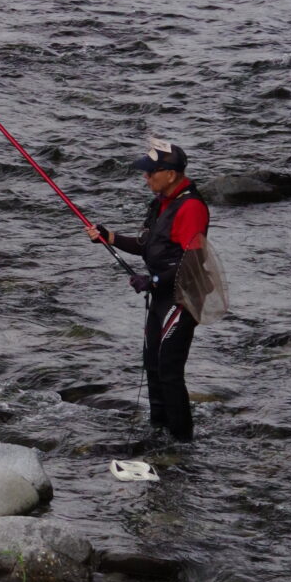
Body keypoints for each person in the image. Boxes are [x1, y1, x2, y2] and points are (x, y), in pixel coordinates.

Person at [89, 140, 218, 443]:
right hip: (162, 296)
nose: (145, 178)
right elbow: (147, 245)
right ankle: (158, 432)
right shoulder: (161, 202)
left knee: (169, 369)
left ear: (170, 174)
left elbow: (194, 260)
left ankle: (182, 442)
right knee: (152, 362)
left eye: (150, 173)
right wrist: (109, 237)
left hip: (183, 298)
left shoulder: (191, 208)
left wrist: (153, 282)